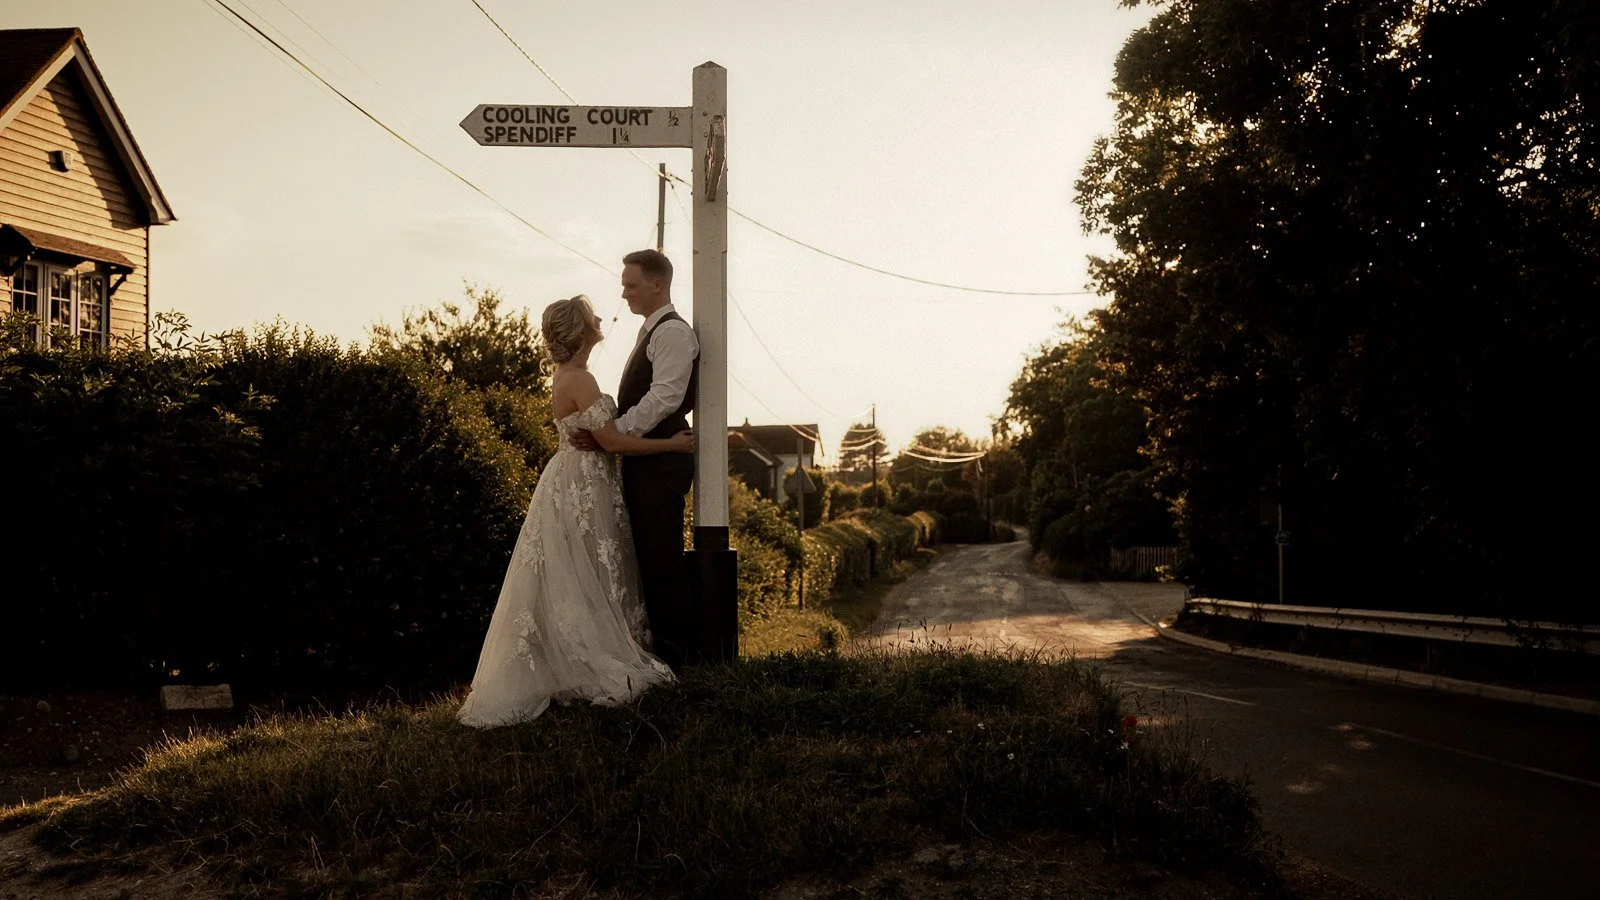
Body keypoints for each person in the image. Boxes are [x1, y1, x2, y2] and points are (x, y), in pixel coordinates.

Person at [457, 294, 693, 728]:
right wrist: (673, 444)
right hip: (583, 482)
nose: (601, 316)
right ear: (582, 331)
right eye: (592, 316)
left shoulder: (572, 375)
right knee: (586, 566)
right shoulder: (580, 380)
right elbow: (616, 443)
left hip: (581, 478)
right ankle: (592, 659)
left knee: (585, 567)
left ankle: (583, 652)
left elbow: (605, 436)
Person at [570, 250, 700, 671]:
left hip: (662, 465)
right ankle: (665, 656)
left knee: (662, 560)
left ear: (657, 284)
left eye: (631, 284)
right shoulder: (650, 331)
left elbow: (664, 398)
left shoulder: (673, 333)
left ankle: (678, 662)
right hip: (647, 462)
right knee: (648, 558)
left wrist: (612, 435)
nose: (623, 293)